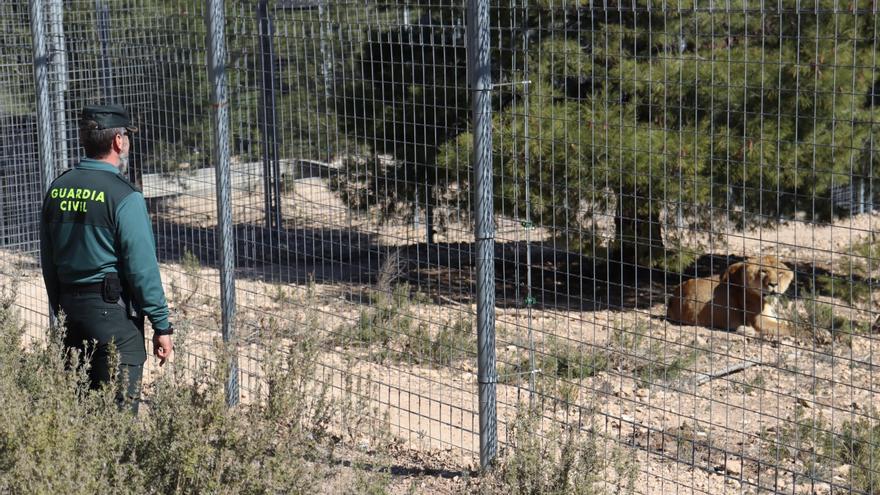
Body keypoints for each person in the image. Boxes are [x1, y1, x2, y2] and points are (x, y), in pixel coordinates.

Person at [40, 104, 173, 412]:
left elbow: (48, 259)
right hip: (113, 318)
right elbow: (142, 269)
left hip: (69, 312)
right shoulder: (124, 195)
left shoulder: (57, 188)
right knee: (118, 423)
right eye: (126, 135)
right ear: (117, 142)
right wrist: (162, 325)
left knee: (81, 415)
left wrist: (60, 308)